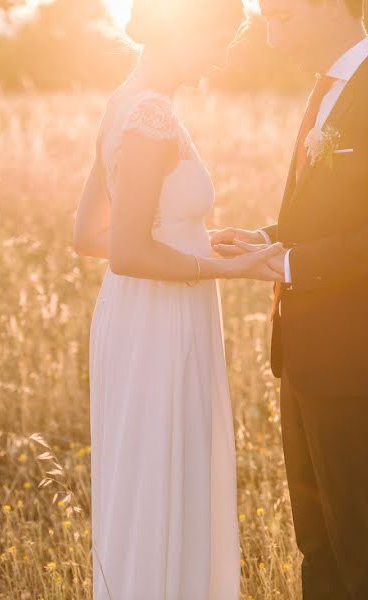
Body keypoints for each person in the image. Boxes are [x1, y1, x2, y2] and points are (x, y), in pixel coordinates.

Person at [212, 0, 368, 597]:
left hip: (358, 358)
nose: (272, 36)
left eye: (282, 18)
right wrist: (263, 239)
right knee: (316, 542)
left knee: (365, 546)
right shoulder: (327, 90)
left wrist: (287, 263)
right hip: (308, 354)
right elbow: (326, 211)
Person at [71, 1, 285, 598]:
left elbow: (90, 234)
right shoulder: (150, 116)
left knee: (154, 473)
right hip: (159, 321)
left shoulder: (126, 101)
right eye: (221, 38)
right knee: (162, 474)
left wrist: (195, 238)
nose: (224, 54)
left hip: (141, 314)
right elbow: (124, 251)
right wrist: (222, 267)